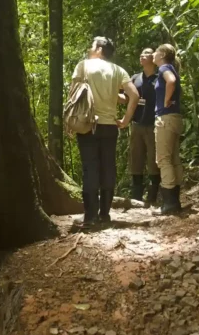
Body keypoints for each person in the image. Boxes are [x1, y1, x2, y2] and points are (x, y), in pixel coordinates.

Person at [71, 37, 139, 227]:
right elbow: (133, 95)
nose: (89, 48)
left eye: (92, 45)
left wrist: (70, 121)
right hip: (110, 125)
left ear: (99, 49)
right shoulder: (118, 70)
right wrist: (125, 119)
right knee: (108, 167)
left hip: (88, 124)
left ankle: (90, 217)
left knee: (90, 168)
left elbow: (74, 93)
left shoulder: (84, 66)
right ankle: (105, 214)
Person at [124, 48, 160, 205]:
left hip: (153, 125)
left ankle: (153, 195)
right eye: (141, 53)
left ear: (153, 58)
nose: (142, 55)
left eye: (146, 53)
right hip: (137, 125)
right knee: (136, 159)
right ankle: (136, 196)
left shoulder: (159, 79)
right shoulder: (135, 78)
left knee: (153, 160)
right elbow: (126, 98)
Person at [152, 43, 183, 215]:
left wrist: (165, 101)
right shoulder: (170, 67)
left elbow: (171, 81)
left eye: (156, 51)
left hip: (166, 119)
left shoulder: (164, 68)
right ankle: (174, 201)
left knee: (163, 160)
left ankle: (169, 203)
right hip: (175, 118)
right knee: (173, 158)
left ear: (162, 54)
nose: (154, 54)